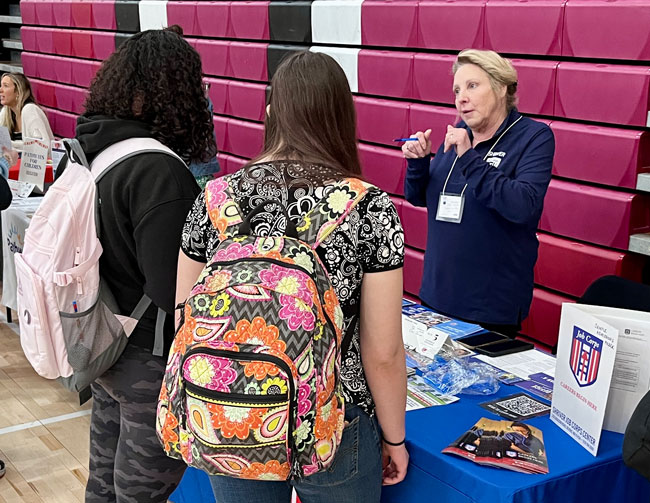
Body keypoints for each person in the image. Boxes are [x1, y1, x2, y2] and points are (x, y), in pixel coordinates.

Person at [176, 51, 408, 503]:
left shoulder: (214, 199)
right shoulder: (369, 208)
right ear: (343, 119)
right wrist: (394, 439)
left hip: (230, 410)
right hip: (334, 416)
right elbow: (383, 353)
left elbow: (185, 311)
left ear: (270, 113)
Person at [71, 29, 215, 502]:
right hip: (148, 361)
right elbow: (174, 289)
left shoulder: (94, 148)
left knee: (102, 484)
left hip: (104, 341)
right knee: (141, 493)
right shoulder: (159, 171)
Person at [402, 49, 555, 337]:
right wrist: (418, 162)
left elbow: (523, 205)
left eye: (472, 86)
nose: (461, 98)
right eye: (457, 90)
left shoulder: (533, 136)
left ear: (501, 87)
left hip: (489, 307)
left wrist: (469, 157)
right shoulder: (460, 134)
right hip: (437, 294)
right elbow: (420, 197)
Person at [0, 72, 53, 151]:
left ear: (18, 91)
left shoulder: (30, 110)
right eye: (1, 86)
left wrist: (10, 145)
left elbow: (42, 147)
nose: (0, 90)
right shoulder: (5, 113)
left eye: (6, 86)